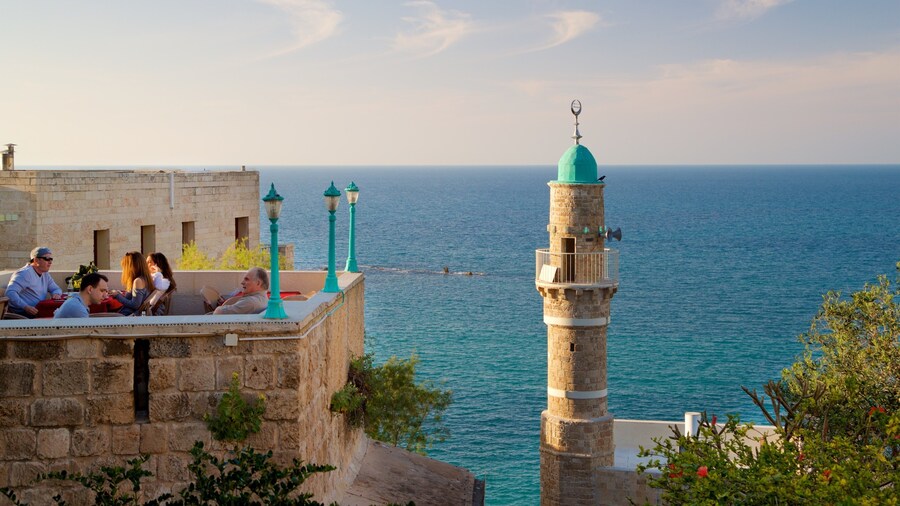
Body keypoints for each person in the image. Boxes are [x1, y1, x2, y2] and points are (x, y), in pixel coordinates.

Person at [5, 246, 63, 317]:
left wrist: (56, 294)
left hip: (39, 310)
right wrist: (26, 307)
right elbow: (10, 293)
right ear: (36, 260)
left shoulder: (45, 273)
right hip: (24, 314)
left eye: (51, 259)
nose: (50, 262)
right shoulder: (24, 274)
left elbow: (56, 289)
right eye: (47, 259)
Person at [111, 251, 155, 316]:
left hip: (127, 316)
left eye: (125, 266)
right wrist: (120, 295)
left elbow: (135, 305)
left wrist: (117, 296)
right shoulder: (146, 278)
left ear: (131, 267)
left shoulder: (138, 281)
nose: (124, 269)